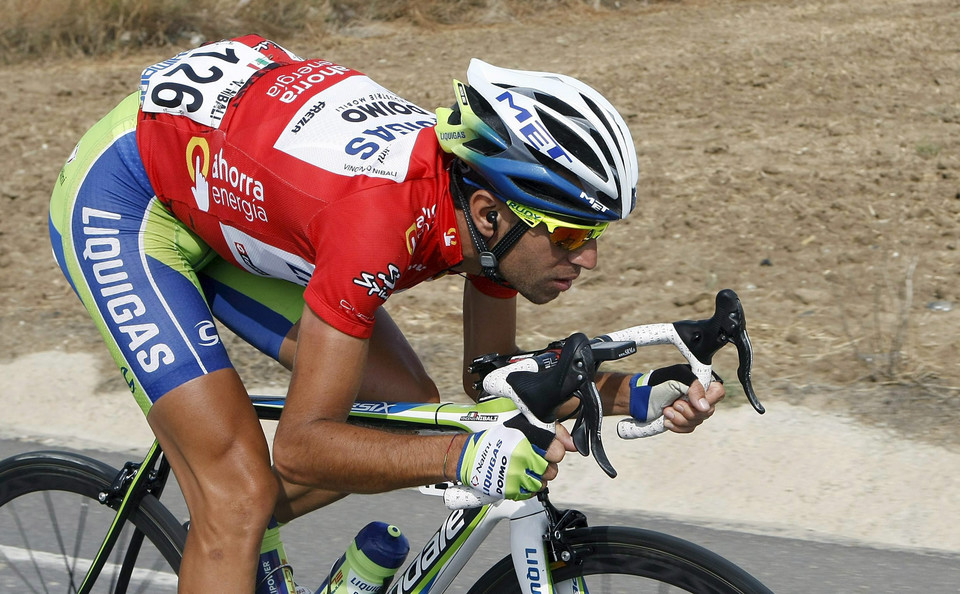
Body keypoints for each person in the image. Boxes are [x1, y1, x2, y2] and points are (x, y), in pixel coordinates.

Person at [48, 34, 724, 592]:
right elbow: (305, 444)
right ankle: (227, 527)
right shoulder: (380, 221)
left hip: (230, 191)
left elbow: (489, 379)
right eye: (572, 236)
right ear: (491, 214)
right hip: (129, 197)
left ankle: (234, 537)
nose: (590, 260)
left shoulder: (481, 216)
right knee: (236, 496)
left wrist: (634, 393)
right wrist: (465, 458)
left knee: (408, 408)